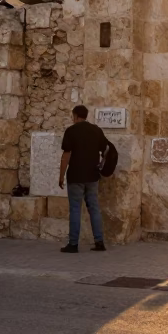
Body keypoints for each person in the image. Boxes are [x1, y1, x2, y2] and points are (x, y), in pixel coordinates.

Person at [58, 105, 111, 252]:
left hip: (75, 175)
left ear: (75, 116)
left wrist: (61, 176)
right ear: (86, 115)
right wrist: (100, 164)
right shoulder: (96, 130)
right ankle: (99, 242)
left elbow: (66, 156)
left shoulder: (71, 131)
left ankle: (73, 244)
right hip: (92, 176)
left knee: (75, 209)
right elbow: (106, 149)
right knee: (94, 208)